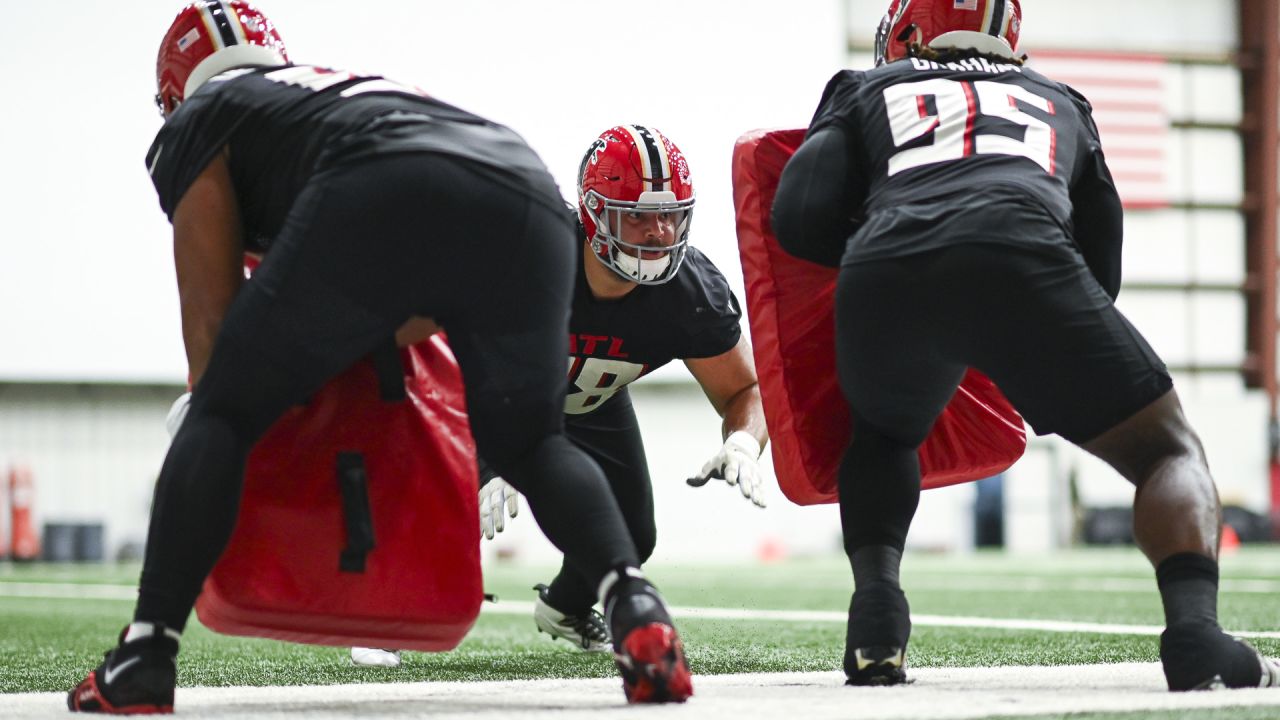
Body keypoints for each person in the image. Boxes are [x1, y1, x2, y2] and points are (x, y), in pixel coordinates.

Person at [67, 2, 692, 712]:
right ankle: (637, 609)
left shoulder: (210, 115)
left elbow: (212, 324)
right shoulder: (326, 89)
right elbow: (406, 298)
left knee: (222, 410)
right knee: (533, 442)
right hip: (526, 187)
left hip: (385, 179)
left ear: (176, 92)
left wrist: (219, 403)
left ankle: (146, 655)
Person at [770, 0, 1280, 691]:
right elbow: (1103, 270)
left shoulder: (867, 88)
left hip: (884, 266)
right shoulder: (1059, 100)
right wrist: (1024, 324)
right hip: (1023, 254)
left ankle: (876, 622)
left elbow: (798, 220)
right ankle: (1194, 635)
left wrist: (895, 241)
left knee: (885, 435)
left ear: (910, 32)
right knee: (1167, 450)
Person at [352, 125, 769, 667]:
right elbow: (445, 346)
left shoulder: (688, 293)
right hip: (482, 390)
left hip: (589, 403)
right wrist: (492, 455)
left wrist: (742, 442)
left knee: (632, 536)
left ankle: (567, 608)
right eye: (638, 216)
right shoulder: (535, 254)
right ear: (594, 214)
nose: (658, 233)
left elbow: (743, 386)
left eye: (670, 215)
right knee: (448, 502)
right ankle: (386, 611)